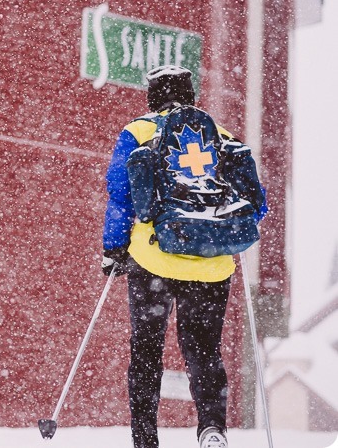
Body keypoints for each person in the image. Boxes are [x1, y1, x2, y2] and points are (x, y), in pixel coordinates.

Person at [101, 65, 266, 448]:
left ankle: (145, 438)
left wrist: (113, 250)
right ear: (192, 96)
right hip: (212, 264)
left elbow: (121, 197)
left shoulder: (139, 132)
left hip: (154, 257)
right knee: (205, 350)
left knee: (145, 349)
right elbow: (255, 206)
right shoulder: (221, 137)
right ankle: (212, 429)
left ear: (152, 95)